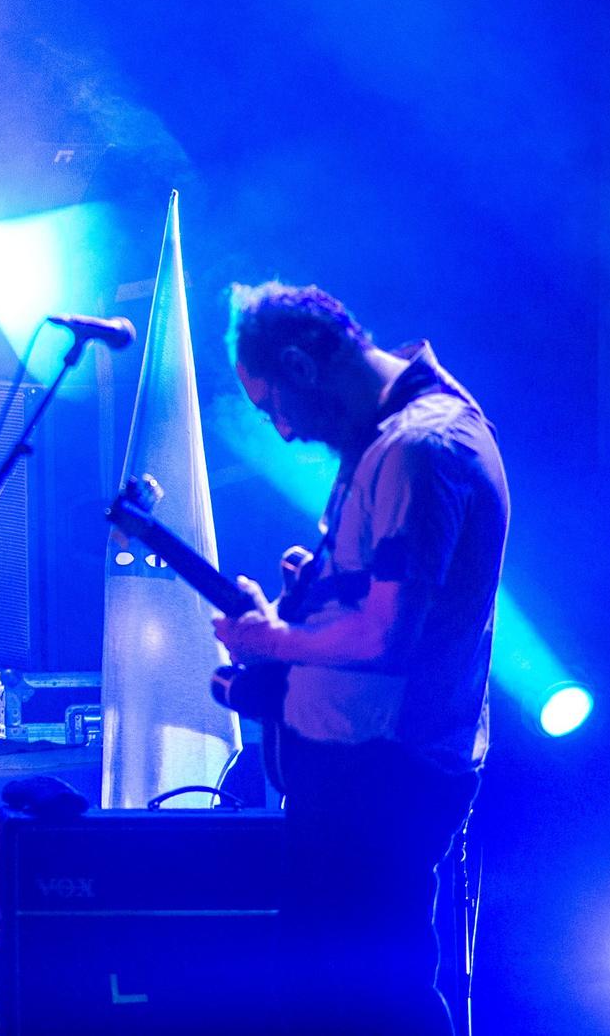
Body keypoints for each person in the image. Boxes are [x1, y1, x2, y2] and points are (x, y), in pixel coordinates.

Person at [215, 282, 507, 1036]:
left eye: (274, 405)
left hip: (386, 776)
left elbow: (388, 638)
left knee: (379, 999)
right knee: (333, 998)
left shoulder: (420, 447)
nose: (280, 432)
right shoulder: (384, 442)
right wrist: (290, 620)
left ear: (301, 366)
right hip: (360, 772)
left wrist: (273, 643)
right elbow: (366, 611)